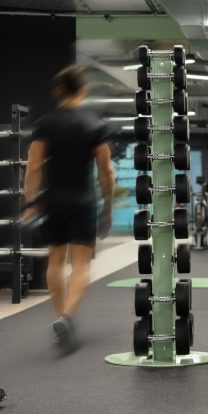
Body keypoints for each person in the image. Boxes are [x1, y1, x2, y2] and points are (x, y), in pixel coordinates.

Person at [23, 65, 115, 351]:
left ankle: (59, 318)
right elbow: (106, 172)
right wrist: (108, 205)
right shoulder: (94, 125)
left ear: (58, 91)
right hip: (82, 201)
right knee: (81, 265)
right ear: (83, 90)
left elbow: (34, 166)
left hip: (53, 199)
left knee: (55, 262)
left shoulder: (45, 124)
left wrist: (30, 202)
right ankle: (67, 317)